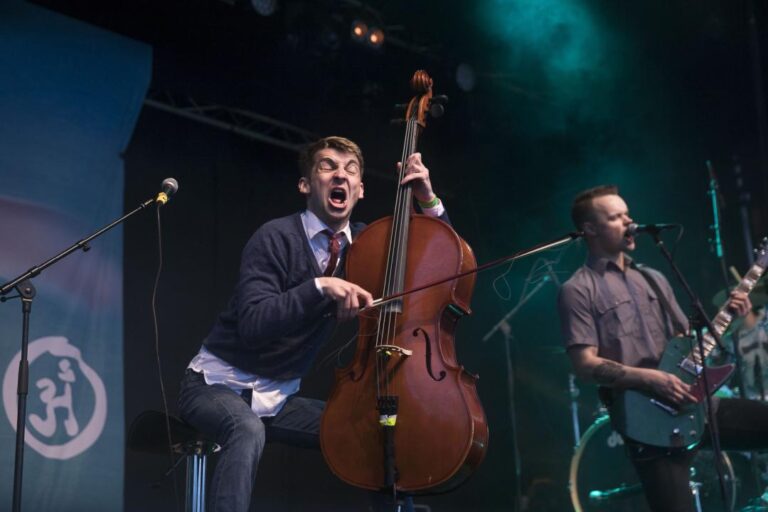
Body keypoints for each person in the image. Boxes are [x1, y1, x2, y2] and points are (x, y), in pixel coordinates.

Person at [178, 136, 448, 512]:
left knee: (376, 429)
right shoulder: (275, 237)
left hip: (279, 399)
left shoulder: (367, 247)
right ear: (306, 184)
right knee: (245, 428)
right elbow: (254, 324)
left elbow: (440, 261)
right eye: (327, 166)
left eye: (350, 170)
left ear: (361, 190)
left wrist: (427, 199)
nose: (340, 174)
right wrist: (319, 287)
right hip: (214, 384)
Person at [557, 185, 768, 512]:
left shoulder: (653, 278)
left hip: (694, 403)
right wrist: (650, 379)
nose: (629, 222)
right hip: (645, 420)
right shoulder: (578, 289)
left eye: (628, 214)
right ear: (590, 229)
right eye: (616, 217)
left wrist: (729, 323)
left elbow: (689, 345)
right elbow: (584, 365)